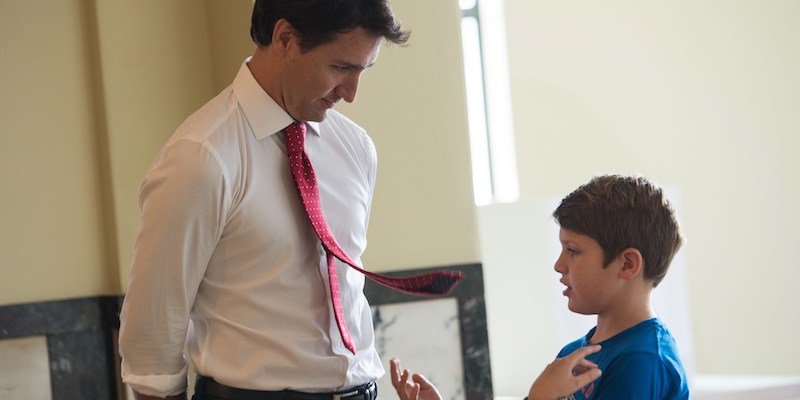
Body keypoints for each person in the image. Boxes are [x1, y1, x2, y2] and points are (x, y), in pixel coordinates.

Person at [118, 1, 409, 399]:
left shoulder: (355, 148)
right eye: (341, 68)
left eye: (363, 70)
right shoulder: (201, 158)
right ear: (285, 38)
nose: (351, 93)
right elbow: (150, 343)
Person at [392, 174, 689, 400]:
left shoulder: (644, 362)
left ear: (627, 265)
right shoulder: (575, 353)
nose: (559, 265)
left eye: (573, 250)